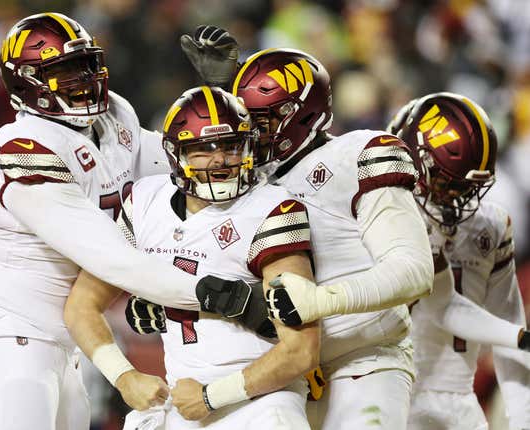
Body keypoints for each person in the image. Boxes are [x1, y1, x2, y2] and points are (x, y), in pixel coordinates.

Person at [0, 14, 256, 430]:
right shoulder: (22, 147)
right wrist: (219, 296)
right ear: (26, 81)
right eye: (64, 71)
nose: (84, 79)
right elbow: (111, 256)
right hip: (5, 326)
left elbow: (188, 167)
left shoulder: (114, 118)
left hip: (64, 337)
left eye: (87, 64)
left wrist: (224, 97)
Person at [128, 28, 434, 429]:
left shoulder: (356, 155)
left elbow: (413, 271)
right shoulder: (245, 179)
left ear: (303, 112)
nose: (253, 134)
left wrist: (323, 301)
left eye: (265, 119)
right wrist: (172, 300)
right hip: (278, 373)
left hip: (361, 360)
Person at [68, 86, 320, 429]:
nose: (220, 160)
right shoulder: (144, 202)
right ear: (176, 154)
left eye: (231, 146)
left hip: (261, 400)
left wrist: (212, 396)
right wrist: (124, 377)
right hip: (183, 400)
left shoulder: (273, 208)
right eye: (203, 150)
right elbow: (81, 306)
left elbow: (302, 349)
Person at [386, 92, 530, 430]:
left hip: (457, 400)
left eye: (465, 190)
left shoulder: (490, 225)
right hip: (385, 390)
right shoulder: (376, 212)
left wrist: (521, 420)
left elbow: (488, 317)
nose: (455, 202)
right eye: (444, 184)